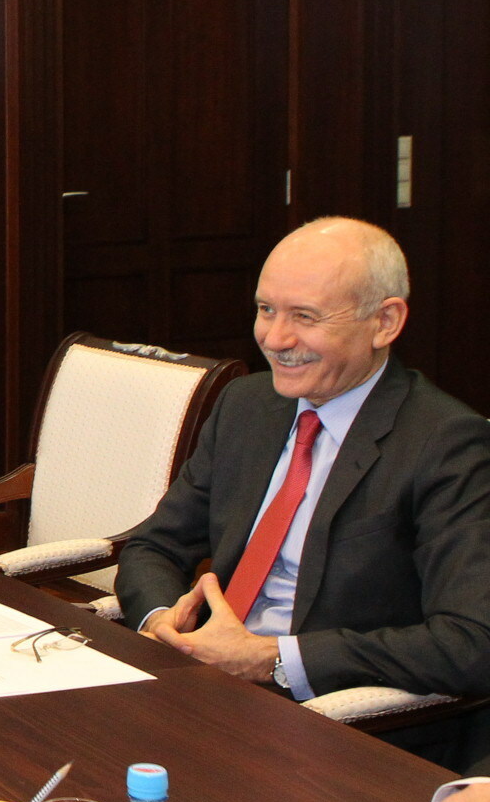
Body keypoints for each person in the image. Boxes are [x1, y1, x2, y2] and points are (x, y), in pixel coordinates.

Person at [117, 219, 490, 759]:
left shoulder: (447, 444)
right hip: (198, 686)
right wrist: (165, 624)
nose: (275, 339)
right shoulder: (247, 405)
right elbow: (154, 545)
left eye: (305, 317)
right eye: (266, 309)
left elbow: (471, 640)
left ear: (385, 322)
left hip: (334, 731)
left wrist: (272, 658)